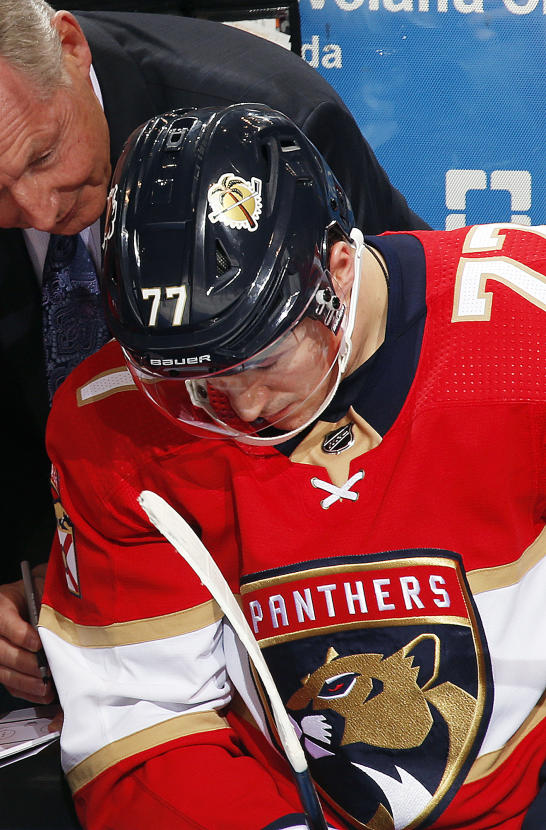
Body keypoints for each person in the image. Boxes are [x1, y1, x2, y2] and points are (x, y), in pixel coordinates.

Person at [0, 0, 431, 707]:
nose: (35, 207)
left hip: (304, 554)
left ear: (69, 47)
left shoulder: (273, 121)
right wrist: (30, 580)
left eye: (43, 154)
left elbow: (403, 359)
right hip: (107, 585)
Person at [39, 101, 546, 829]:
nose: (237, 409)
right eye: (193, 381)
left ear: (337, 271)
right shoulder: (111, 425)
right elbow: (141, 732)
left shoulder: (528, 329)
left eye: (261, 361)